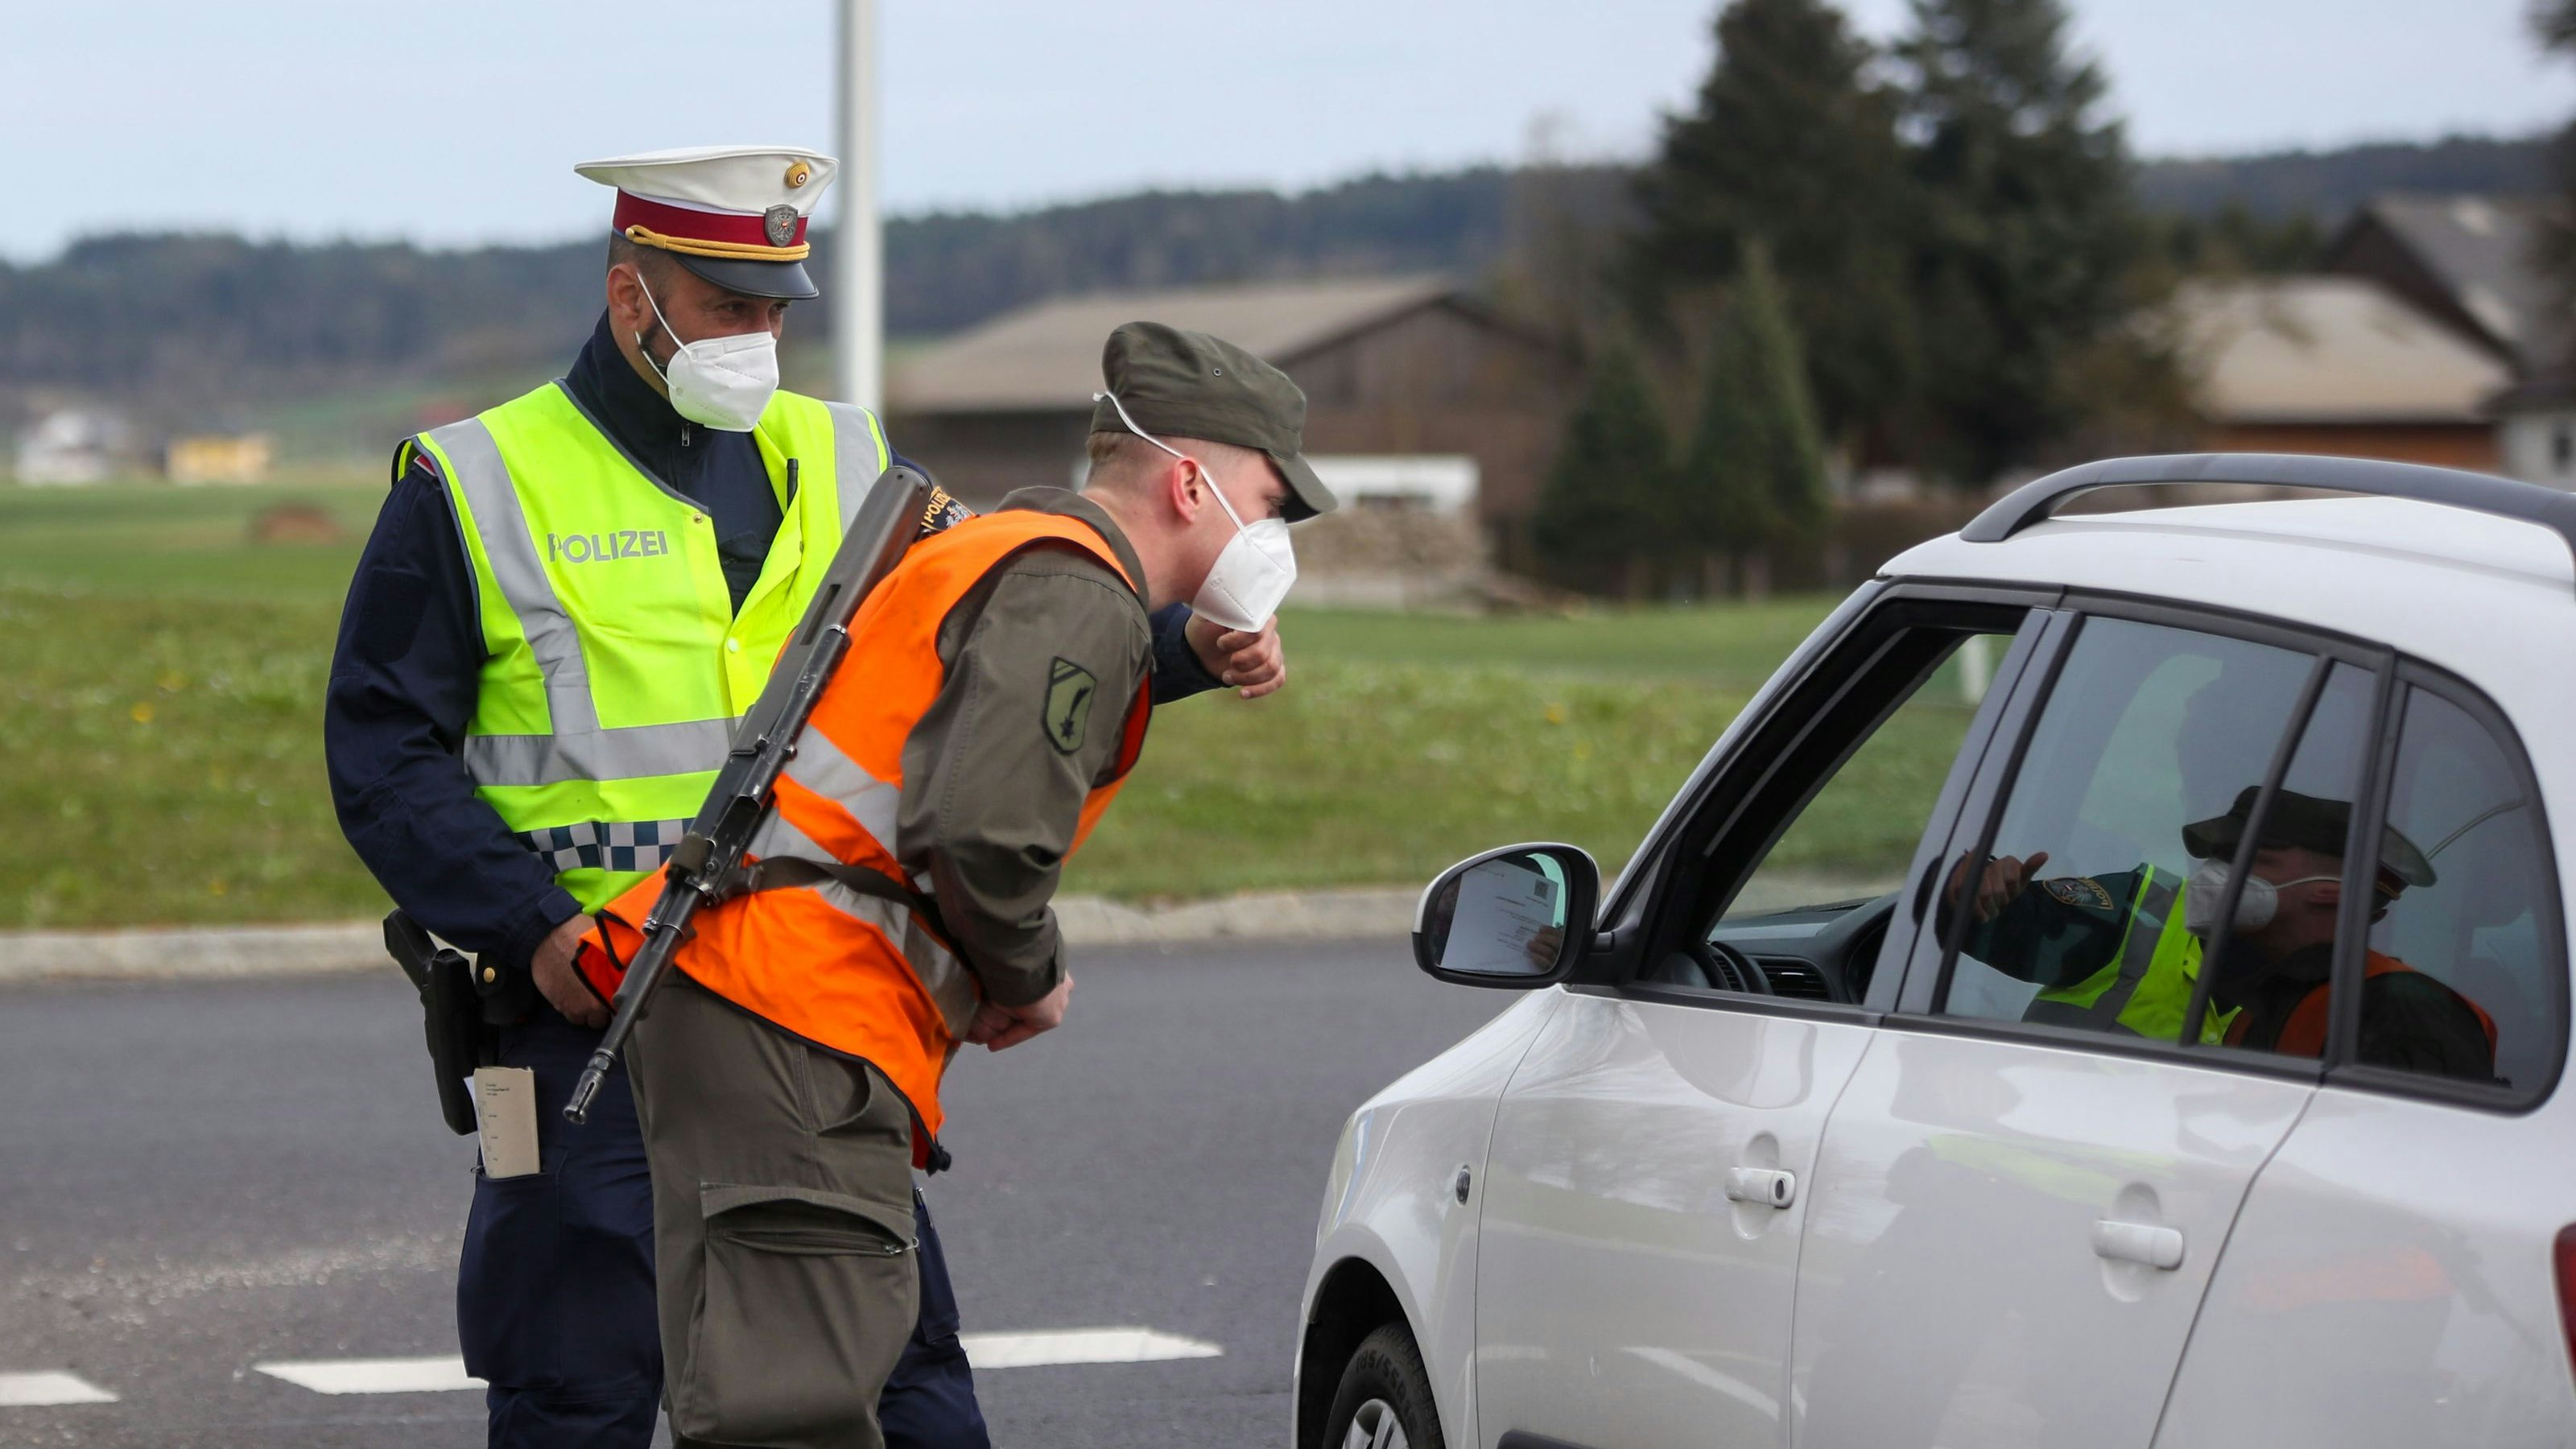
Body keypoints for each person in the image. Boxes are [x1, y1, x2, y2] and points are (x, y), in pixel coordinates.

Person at [324, 147, 1286, 1449]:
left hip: (792, 1017)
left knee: (901, 1389)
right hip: (585, 1017)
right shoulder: (473, 484)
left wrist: (1177, 653)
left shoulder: (849, 458)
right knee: (578, 1395)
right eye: (729, 307)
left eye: (777, 309)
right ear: (630, 301)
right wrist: (530, 922)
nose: (762, 337)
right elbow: (383, 756)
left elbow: (993, 653)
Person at [571, 320, 1337, 1448]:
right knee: (790, 1418)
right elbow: (980, 836)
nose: (1274, 535)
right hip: (802, 1016)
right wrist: (1028, 976)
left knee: (782, 1389)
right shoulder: (1076, 594)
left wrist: (1187, 654)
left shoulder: (1008, 552)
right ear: (1189, 482)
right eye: (1271, 504)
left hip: (763, 1004)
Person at [1948, 786, 2495, 1076]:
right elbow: (2006, 923)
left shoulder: (2393, 1012)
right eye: (2216, 857)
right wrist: (1972, 885)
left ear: (2331, 889)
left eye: (2250, 857)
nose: (2214, 875)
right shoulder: (2140, 914)